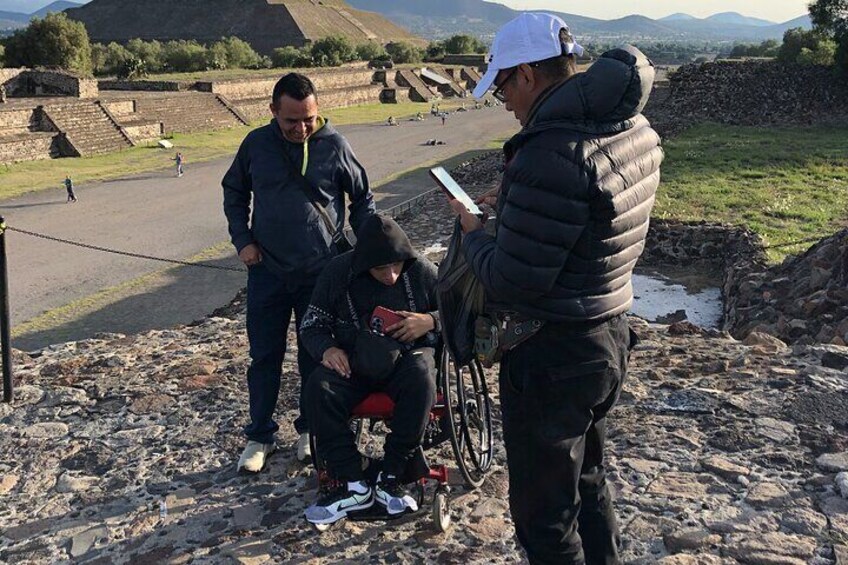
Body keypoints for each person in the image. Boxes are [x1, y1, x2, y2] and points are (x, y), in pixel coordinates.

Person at [448, 13, 663, 565]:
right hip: (607, 332)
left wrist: (476, 232)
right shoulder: (627, 126)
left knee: (545, 519)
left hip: (552, 352)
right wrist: (518, 210)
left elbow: (513, 280)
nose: (501, 99)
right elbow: (587, 224)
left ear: (526, 74)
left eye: (501, 84)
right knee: (589, 481)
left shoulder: (549, 151)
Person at [223, 73, 376, 473]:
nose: (301, 128)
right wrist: (243, 241)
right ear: (273, 111)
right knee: (264, 357)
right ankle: (260, 436)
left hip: (321, 275)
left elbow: (363, 200)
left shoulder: (335, 145)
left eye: (308, 119)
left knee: (316, 357)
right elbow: (234, 192)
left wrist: (373, 251)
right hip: (267, 272)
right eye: (291, 120)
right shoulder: (256, 144)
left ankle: (310, 430)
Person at [300, 215, 441, 526]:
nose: (391, 276)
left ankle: (392, 474)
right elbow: (311, 325)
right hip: (354, 361)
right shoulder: (339, 271)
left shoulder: (421, 270)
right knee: (318, 387)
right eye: (380, 269)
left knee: (421, 376)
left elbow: (459, 312)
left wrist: (430, 320)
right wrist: (327, 349)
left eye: (395, 266)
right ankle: (352, 483)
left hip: (407, 360)